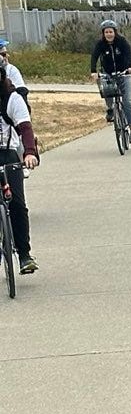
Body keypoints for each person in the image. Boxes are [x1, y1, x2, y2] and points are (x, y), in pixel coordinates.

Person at [0, 65, 39, 274]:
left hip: (7, 155)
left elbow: (25, 128)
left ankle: (24, 255)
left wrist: (30, 152)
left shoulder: (12, 99)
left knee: (17, 204)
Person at [89, 20, 131, 144]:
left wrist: (130, 67)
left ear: (115, 32)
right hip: (108, 73)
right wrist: (93, 71)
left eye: (111, 32)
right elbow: (94, 57)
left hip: (124, 73)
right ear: (103, 33)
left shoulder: (122, 42)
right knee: (106, 90)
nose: (109, 34)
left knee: (127, 102)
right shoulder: (100, 44)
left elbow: (129, 54)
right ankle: (110, 108)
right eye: (106, 32)